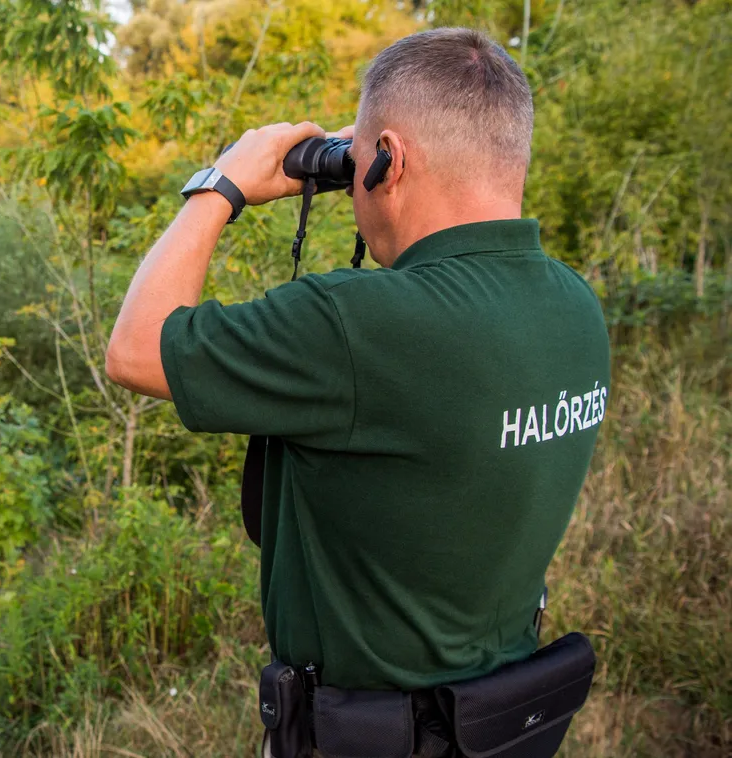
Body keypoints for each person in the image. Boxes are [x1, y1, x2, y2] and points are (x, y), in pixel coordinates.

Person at [105, 27, 610, 757]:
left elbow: (133, 350)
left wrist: (220, 184)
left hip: (366, 736)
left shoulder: (358, 323)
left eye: (362, 158)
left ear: (389, 161)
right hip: (503, 726)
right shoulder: (574, 307)